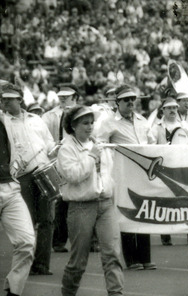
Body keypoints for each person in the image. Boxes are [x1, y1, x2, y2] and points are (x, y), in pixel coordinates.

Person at [56, 105, 124, 296]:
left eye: (92, 122)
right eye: (85, 123)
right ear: (73, 126)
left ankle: (116, 293)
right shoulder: (66, 148)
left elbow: (108, 175)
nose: (90, 126)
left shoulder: (98, 144)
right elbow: (74, 175)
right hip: (81, 206)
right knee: (78, 261)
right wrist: (92, 155)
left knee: (112, 254)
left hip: (105, 204)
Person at [97, 84, 157, 271]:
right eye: (126, 100)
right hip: (122, 174)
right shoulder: (108, 122)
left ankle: (145, 258)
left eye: (133, 99)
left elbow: (153, 143)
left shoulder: (142, 120)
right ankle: (132, 259)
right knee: (128, 213)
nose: (131, 102)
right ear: (117, 102)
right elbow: (99, 144)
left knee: (144, 212)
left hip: (142, 174)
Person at [1, 83, 56, 275]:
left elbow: (49, 144)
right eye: (3, 98)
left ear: (20, 100)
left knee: (47, 219)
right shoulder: (3, 122)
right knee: (28, 221)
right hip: (21, 177)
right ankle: (27, 264)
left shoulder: (36, 120)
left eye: (9, 98)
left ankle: (41, 264)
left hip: (43, 171)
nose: (5, 101)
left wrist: (55, 153)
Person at [151, 97, 188, 246]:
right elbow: (151, 147)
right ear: (163, 110)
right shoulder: (156, 128)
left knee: (187, 200)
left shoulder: (185, 126)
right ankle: (165, 236)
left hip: (182, 167)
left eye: (174, 107)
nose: (173, 110)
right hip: (164, 169)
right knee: (165, 201)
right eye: (169, 108)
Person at [0, 102, 36, 296]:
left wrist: (18, 161)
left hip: (10, 187)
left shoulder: (7, 120)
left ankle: (13, 292)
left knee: (26, 242)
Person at [42, 84, 79, 254]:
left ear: (75, 96)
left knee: (83, 199)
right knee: (61, 201)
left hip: (78, 159)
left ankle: (87, 240)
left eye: (68, 95)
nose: (63, 98)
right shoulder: (49, 116)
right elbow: (45, 137)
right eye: (61, 96)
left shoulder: (82, 112)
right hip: (58, 160)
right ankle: (58, 241)